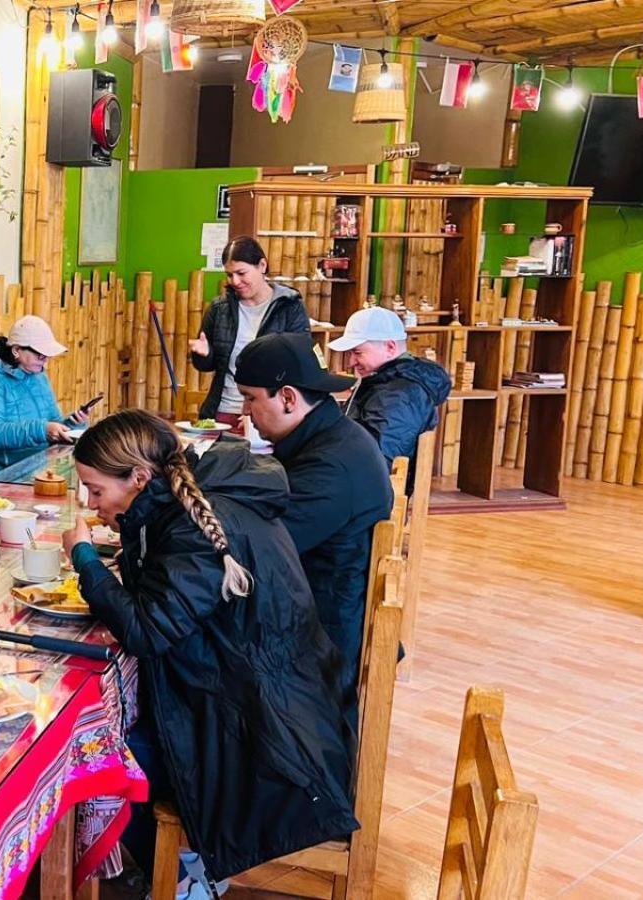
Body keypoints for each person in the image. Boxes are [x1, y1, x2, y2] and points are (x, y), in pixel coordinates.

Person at [61, 410, 357, 889]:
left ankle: (183, 876)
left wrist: (86, 560)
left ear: (139, 477)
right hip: (271, 697)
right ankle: (180, 864)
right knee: (112, 729)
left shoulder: (191, 529)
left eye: (96, 490)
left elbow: (146, 631)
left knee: (104, 756)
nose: (92, 504)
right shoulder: (189, 504)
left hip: (266, 736)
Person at [236, 332, 393, 712]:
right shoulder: (331, 438)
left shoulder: (331, 466)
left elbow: (255, 550)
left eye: (251, 398)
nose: (246, 411)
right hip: (320, 611)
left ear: (288, 398)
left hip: (318, 648)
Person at [189, 236, 312, 425]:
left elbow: (300, 361)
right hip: (224, 410)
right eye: (230, 275)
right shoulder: (219, 308)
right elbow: (207, 365)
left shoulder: (289, 306)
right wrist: (203, 354)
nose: (235, 281)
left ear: (262, 265)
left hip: (270, 413)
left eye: (241, 273)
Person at [329, 306, 452, 483]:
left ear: (390, 347)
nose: (350, 362)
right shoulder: (387, 384)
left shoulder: (399, 395)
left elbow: (377, 461)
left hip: (367, 496)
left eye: (357, 352)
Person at [0, 315, 91, 482]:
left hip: (36, 468)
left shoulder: (38, 375)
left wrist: (71, 425)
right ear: (16, 350)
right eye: (40, 355)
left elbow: (52, 423)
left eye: (47, 356)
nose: (45, 361)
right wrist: (42, 430)